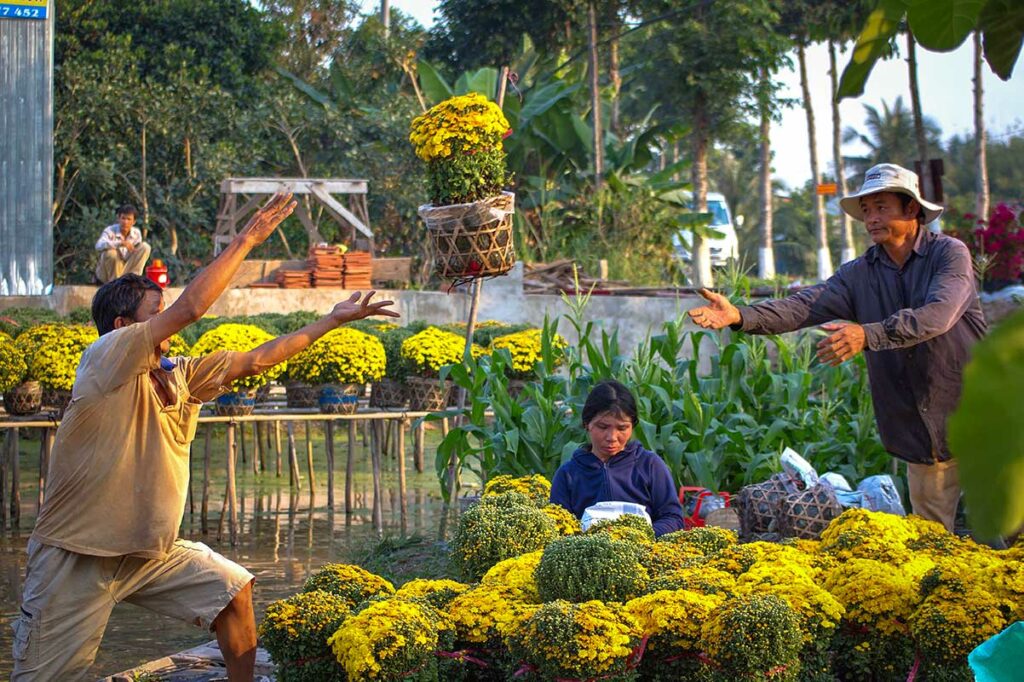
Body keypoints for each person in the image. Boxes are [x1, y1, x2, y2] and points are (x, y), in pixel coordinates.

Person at [12, 193, 400, 681]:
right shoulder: (104, 359)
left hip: (148, 552)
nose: (167, 322)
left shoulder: (178, 375)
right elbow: (193, 307)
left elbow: (257, 359)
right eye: (156, 313)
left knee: (233, 592)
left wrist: (333, 319)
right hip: (75, 559)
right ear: (121, 327)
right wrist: (247, 238)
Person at [688, 163, 987, 532]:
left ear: (911, 210)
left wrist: (868, 335)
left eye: (881, 207)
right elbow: (804, 305)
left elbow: (938, 315)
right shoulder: (858, 274)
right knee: (934, 540)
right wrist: (740, 316)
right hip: (922, 433)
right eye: (866, 211)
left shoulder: (949, 254)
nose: (871, 218)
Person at [550, 380, 685, 536]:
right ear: (587, 423)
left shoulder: (650, 465)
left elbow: (673, 518)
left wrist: (642, 537)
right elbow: (559, 525)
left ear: (632, 426)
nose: (612, 437)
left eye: (622, 428)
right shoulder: (568, 474)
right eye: (603, 427)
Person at [95, 204, 151, 283]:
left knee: (145, 247)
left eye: (128, 219)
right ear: (118, 219)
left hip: (124, 270)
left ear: (134, 222)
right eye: (123, 218)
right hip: (107, 273)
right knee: (111, 253)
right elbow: (98, 245)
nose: (125, 222)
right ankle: (114, 284)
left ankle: (133, 279)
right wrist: (120, 243)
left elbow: (135, 257)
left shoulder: (136, 233)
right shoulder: (110, 230)